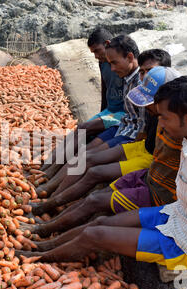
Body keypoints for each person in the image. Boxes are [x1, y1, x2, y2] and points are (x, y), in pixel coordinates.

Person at [17, 76, 187, 289]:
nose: (161, 125)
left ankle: (37, 257)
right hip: (176, 214)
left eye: (164, 118)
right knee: (98, 222)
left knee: (94, 234)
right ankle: (40, 244)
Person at [28, 66, 181, 235]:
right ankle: (48, 192)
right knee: (88, 158)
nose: (113, 68)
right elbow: (144, 133)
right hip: (143, 151)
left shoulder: (177, 126)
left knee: (96, 186)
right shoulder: (158, 113)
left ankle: (46, 218)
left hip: (151, 166)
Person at [37, 48, 173, 197]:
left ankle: (51, 192)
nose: (145, 76)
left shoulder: (161, 100)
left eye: (150, 71)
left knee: (91, 163)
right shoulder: (138, 83)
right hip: (126, 127)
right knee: (84, 142)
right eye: (143, 72)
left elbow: (143, 130)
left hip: (133, 138)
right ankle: (47, 177)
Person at [40, 27, 125, 178]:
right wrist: (100, 115)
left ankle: (50, 173)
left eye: (98, 51)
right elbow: (105, 89)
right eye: (93, 53)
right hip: (110, 112)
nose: (97, 56)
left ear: (107, 44)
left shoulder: (120, 63)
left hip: (121, 114)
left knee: (85, 129)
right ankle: (48, 167)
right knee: (79, 131)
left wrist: (103, 122)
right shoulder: (103, 63)